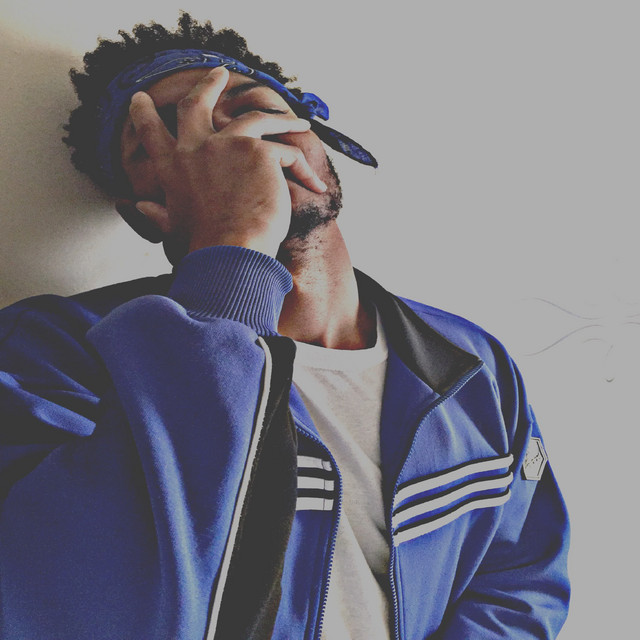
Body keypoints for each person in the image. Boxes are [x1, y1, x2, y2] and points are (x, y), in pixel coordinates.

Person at [0, 12, 570, 640]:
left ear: (318, 136)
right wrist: (232, 243)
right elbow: (70, 600)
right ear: (143, 212)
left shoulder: (468, 362)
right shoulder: (48, 352)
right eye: (173, 137)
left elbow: (520, 582)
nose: (236, 142)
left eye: (251, 107)